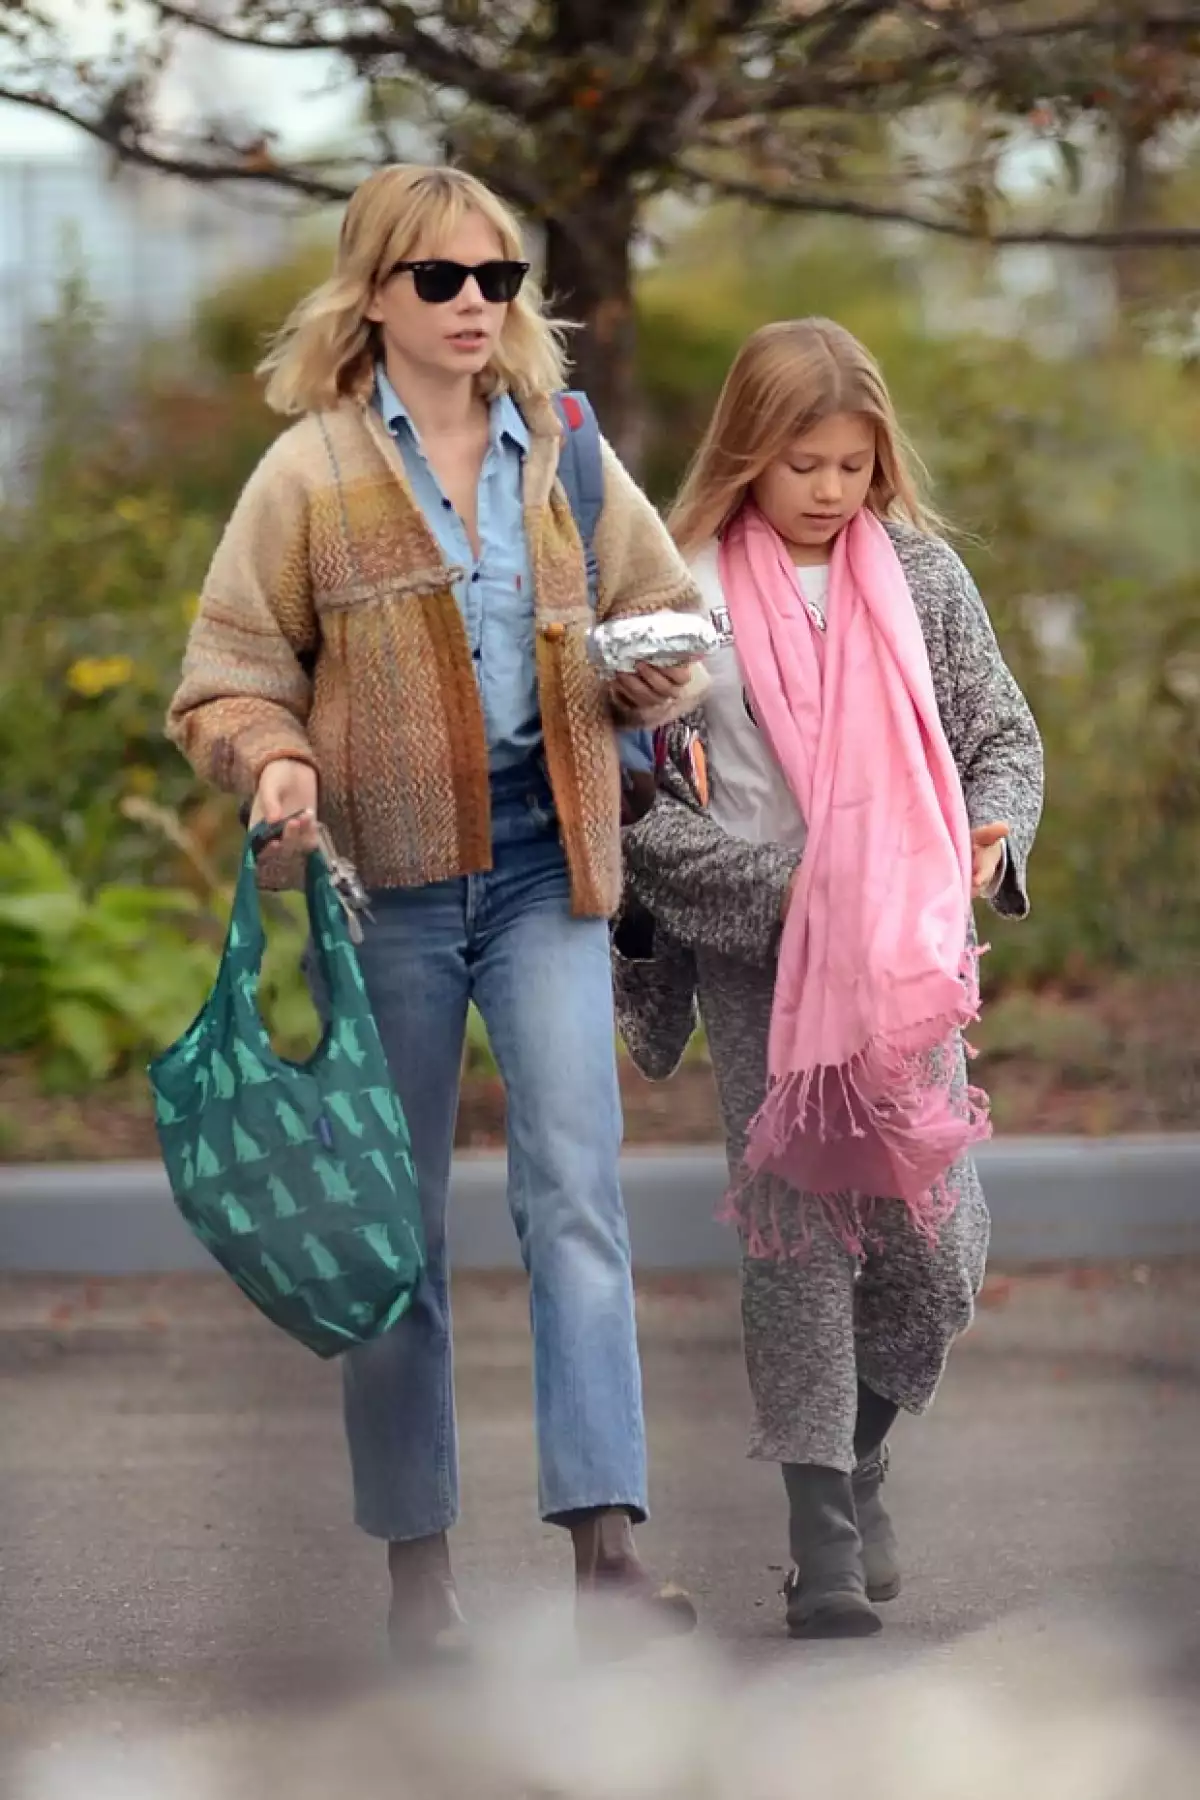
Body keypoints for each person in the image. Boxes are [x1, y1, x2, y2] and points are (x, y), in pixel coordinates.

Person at [166, 163, 709, 1659]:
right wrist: (274, 762)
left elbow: (668, 619)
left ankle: (607, 1556)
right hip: (387, 896)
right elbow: (222, 682)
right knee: (392, 1241)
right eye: (443, 281)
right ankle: (420, 1579)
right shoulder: (309, 473)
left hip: (548, 866)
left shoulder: (568, 454)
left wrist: (660, 676)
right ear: (374, 295)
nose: (478, 305)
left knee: (576, 1203)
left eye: (501, 280)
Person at [613, 318, 1044, 1640]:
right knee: (802, 1239)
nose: (829, 489)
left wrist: (995, 830)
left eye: (854, 464)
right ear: (750, 448)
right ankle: (820, 1534)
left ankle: (857, 1456)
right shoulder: (673, 595)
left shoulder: (922, 576)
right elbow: (633, 810)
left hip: (903, 955)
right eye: (804, 461)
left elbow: (999, 736)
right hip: (765, 960)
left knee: (937, 1240)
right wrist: (788, 890)